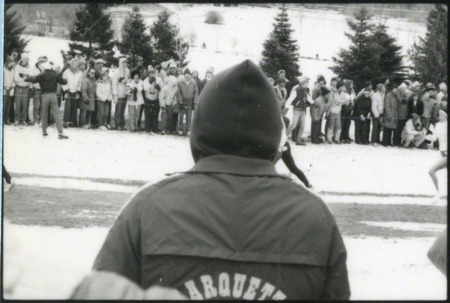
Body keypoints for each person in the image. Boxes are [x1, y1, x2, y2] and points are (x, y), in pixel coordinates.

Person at [90, 60, 350, 300]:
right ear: (273, 135)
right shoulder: (315, 216)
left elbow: (101, 290)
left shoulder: (148, 206)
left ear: (201, 127)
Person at [23, 61, 69, 139]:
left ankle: (44, 131)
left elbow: (33, 79)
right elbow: (63, 82)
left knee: (44, 113)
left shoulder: (42, 74)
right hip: (53, 95)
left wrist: (26, 78)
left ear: (44, 68)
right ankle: (60, 132)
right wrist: (65, 79)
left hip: (44, 95)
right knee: (56, 114)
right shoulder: (55, 75)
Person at [279, 116, 312, 188]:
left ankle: (307, 184)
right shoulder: (277, 119)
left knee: (292, 168)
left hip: (281, 146)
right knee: (292, 168)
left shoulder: (277, 121)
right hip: (282, 145)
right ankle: (307, 184)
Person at [285, 76, 313, 145]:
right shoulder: (296, 90)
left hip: (303, 110)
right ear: (302, 82)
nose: (307, 84)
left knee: (302, 125)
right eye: (306, 82)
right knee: (294, 124)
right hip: (297, 110)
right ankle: (284, 136)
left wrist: (313, 103)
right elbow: (290, 99)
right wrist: (286, 107)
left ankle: (298, 140)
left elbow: (308, 98)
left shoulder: (305, 90)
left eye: (307, 83)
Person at [427, 106, 447, 202]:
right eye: (440, 114)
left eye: (442, 114)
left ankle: (438, 194)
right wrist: (426, 136)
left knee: (431, 171)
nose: (440, 116)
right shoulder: (438, 125)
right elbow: (434, 139)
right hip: (442, 153)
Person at [176, 68, 198, 136]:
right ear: (184, 75)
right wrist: (180, 102)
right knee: (181, 116)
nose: (187, 76)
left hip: (190, 101)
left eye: (188, 74)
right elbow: (178, 92)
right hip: (183, 100)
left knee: (189, 116)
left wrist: (195, 101)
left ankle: (188, 129)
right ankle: (180, 129)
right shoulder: (180, 82)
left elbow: (196, 92)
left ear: (190, 75)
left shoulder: (193, 82)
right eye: (185, 74)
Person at [62, 58, 83, 127]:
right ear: (71, 64)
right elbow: (63, 82)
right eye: (74, 63)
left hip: (75, 91)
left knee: (74, 107)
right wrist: (66, 90)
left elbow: (80, 83)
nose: (75, 65)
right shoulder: (66, 72)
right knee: (67, 107)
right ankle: (66, 121)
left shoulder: (80, 73)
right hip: (68, 91)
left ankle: (72, 121)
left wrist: (78, 91)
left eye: (76, 64)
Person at [142, 67, 164, 133]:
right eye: (151, 73)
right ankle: (147, 128)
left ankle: (155, 127)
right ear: (148, 74)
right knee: (147, 114)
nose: (152, 74)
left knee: (155, 114)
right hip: (148, 98)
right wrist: (150, 84)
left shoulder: (159, 79)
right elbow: (145, 88)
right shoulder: (146, 80)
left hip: (156, 98)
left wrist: (159, 87)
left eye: (153, 73)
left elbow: (162, 87)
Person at [14, 53, 32, 126]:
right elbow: (16, 78)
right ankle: (17, 119)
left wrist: (25, 78)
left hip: (26, 88)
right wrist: (25, 78)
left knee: (25, 104)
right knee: (18, 104)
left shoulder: (29, 68)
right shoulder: (17, 67)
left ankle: (24, 119)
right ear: (22, 60)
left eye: (27, 60)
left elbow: (30, 78)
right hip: (18, 87)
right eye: (25, 59)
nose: (26, 61)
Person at [112, 57, 130, 131]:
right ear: (120, 63)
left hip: (125, 92)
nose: (124, 64)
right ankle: (117, 124)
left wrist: (126, 81)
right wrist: (115, 94)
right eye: (123, 62)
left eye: (125, 63)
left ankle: (122, 124)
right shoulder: (116, 72)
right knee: (118, 110)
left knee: (123, 110)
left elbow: (128, 80)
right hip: (118, 92)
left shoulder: (127, 71)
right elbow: (114, 84)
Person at [3, 59, 16, 125]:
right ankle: (2, 119)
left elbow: (14, 80)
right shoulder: (3, 70)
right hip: (4, 89)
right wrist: (4, 87)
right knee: (4, 105)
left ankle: (6, 119)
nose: (12, 65)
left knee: (9, 105)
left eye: (13, 64)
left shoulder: (12, 71)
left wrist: (12, 87)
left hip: (10, 89)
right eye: (11, 63)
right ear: (7, 63)